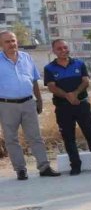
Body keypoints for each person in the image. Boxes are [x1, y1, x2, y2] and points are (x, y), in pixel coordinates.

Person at [44, 39, 91, 175]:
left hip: (81, 105)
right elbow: (52, 87)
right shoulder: (49, 68)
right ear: (54, 51)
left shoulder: (79, 64)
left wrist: (74, 94)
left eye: (65, 47)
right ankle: (75, 165)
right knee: (68, 137)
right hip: (63, 107)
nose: (63, 50)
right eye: (59, 48)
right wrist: (67, 96)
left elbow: (85, 81)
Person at [0, 31, 59, 180]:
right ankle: (20, 170)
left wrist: (39, 100)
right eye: (7, 41)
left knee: (35, 137)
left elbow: (33, 81)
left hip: (28, 103)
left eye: (13, 40)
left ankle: (44, 167)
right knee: (11, 139)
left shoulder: (26, 58)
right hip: (7, 105)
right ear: (1, 44)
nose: (11, 44)